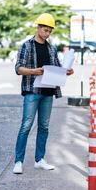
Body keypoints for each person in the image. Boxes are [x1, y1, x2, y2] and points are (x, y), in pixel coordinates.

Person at [13, 13, 74, 174]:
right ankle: (18, 161)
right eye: (45, 30)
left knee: (44, 127)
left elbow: (57, 68)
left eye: (49, 31)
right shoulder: (27, 46)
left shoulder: (51, 48)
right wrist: (34, 71)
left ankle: (39, 160)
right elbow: (18, 69)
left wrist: (66, 71)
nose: (47, 33)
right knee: (26, 126)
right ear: (38, 27)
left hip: (48, 92)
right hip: (32, 92)